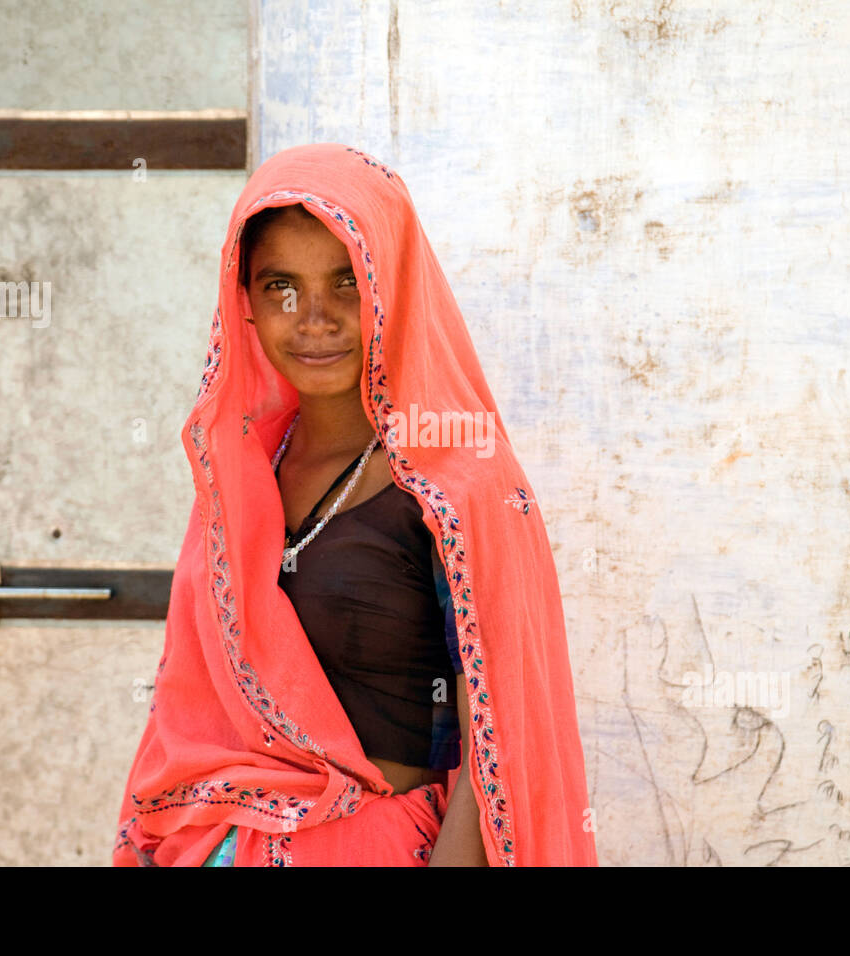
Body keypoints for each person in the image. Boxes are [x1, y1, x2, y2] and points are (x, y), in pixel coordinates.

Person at [112, 143, 597, 866]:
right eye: (281, 287)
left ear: (392, 286)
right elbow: (190, 718)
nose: (314, 319)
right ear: (242, 299)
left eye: (347, 283)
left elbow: (501, 741)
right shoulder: (241, 478)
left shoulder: (456, 489)